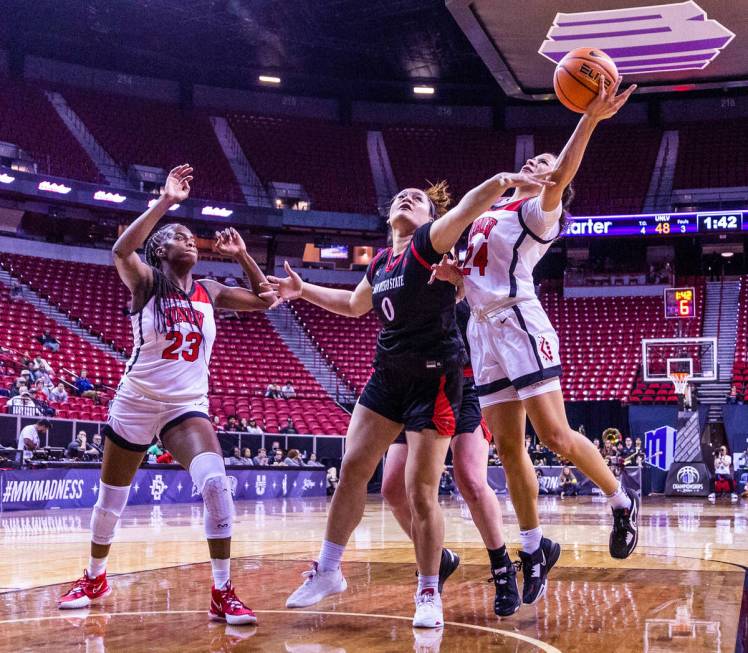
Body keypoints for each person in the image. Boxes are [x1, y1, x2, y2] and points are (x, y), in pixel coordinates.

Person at [269, 167, 553, 628]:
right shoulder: (381, 262)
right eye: (400, 196)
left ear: (428, 219)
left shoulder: (428, 244)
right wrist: (302, 291)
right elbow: (353, 306)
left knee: (422, 491)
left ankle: (429, 591)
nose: (405, 199)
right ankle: (328, 569)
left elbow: (465, 209)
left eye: (416, 199)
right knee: (353, 470)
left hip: (434, 377)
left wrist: (501, 181)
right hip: (388, 375)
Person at [430, 76, 639, 603]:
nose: (536, 163)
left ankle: (620, 499)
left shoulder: (538, 211)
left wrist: (589, 117)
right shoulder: (489, 213)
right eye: (534, 160)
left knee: (555, 436)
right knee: (507, 445)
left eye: (545, 163)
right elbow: (473, 272)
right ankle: (532, 547)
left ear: (554, 182)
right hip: (481, 327)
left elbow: (564, 171)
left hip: (520, 321)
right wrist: (456, 277)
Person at [57, 164, 273, 626]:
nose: (190, 241)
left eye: (194, 237)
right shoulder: (146, 281)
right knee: (109, 501)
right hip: (135, 401)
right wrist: (165, 203)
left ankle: (222, 591)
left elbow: (266, 299)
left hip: (185, 407)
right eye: (180, 236)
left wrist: (243, 257)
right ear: (160, 249)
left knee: (216, 484)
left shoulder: (210, 290)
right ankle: (94, 576)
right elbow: (121, 248)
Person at [381, 299, 521, 615]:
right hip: (420, 385)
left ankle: (502, 566)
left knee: (470, 479)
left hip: (470, 383)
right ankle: (437, 556)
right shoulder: (410, 271)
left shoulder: (467, 272)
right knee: (392, 487)